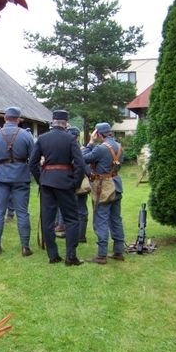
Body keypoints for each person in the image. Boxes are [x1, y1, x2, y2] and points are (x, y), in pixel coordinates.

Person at [30, 110, 85, 266]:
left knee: (47, 220)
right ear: (66, 123)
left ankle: (53, 256)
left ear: (53, 121)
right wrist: (75, 183)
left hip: (47, 182)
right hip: (65, 183)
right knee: (71, 219)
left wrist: (41, 180)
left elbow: (32, 164)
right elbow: (80, 165)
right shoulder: (71, 139)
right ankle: (71, 257)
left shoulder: (42, 138)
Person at [0, 106, 35, 256]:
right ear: (18, 119)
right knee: (22, 212)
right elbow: (33, 158)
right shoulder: (26, 135)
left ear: (4, 118)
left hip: (1, 177)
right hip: (21, 177)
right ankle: (25, 247)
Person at [82, 122, 125, 264]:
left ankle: (101, 255)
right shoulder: (119, 146)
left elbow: (83, 158)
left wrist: (90, 143)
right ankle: (118, 251)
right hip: (117, 185)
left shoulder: (100, 148)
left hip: (104, 188)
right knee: (116, 219)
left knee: (100, 220)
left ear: (98, 134)